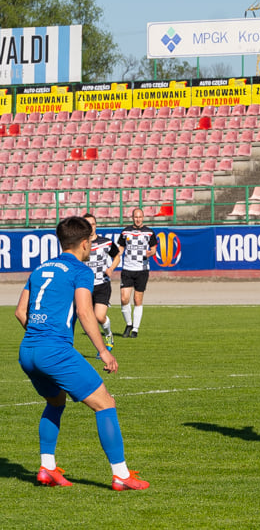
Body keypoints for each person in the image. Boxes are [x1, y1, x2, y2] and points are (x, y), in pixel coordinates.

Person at [15, 216, 149, 491]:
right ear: (86, 243)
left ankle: (47, 468)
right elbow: (86, 312)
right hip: (55, 351)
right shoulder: (81, 271)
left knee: (55, 403)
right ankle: (121, 474)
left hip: (28, 349)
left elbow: (20, 312)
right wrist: (103, 351)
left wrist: (39, 336)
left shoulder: (40, 269)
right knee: (105, 404)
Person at [116, 208, 157, 338]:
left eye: (140, 217)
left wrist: (150, 253)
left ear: (143, 217)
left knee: (137, 299)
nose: (138, 219)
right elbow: (120, 249)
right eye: (135, 217)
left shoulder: (149, 232)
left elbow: (154, 249)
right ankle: (128, 324)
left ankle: (135, 329)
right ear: (132, 217)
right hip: (127, 269)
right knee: (124, 298)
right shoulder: (125, 232)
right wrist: (115, 256)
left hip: (142, 270)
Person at [83, 213, 121, 353]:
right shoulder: (80, 245)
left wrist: (111, 268)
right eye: (87, 224)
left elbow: (117, 256)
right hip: (85, 287)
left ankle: (109, 336)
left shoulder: (106, 242)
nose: (91, 227)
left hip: (102, 284)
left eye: (93, 224)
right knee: (86, 320)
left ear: (96, 225)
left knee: (99, 316)